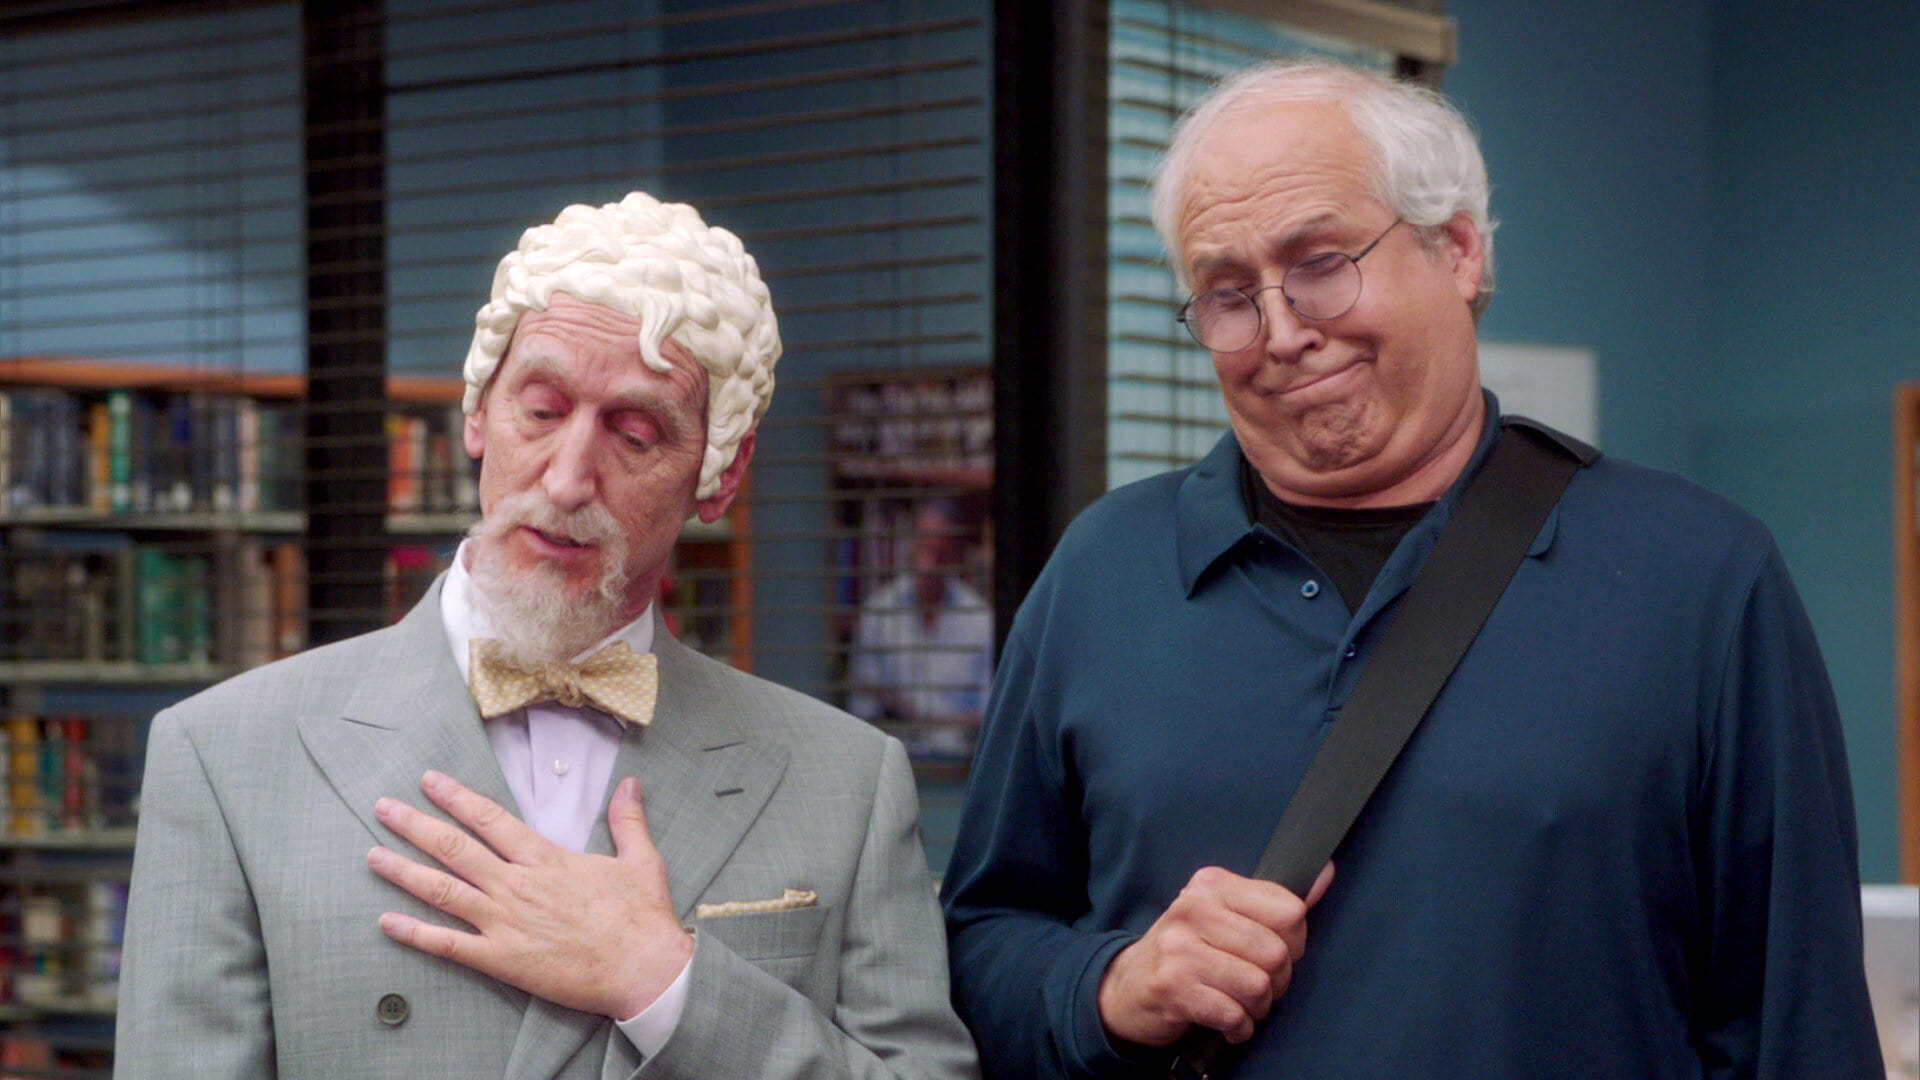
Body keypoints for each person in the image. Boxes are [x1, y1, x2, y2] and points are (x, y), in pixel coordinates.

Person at [940, 59, 1882, 1079]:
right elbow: (977, 949)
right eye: (1227, 294)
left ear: (1459, 251)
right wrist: (1111, 988)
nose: (1282, 333)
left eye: (1321, 262)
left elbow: (1797, 1024)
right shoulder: (1102, 573)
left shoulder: (1698, 578)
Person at [114, 192, 980, 1080]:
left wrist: (665, 983)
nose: (567, 481)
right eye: (540, 409)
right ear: (477, 410)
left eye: (635, 434)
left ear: (721, 477)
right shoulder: (224, 758)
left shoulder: (849, 781)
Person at [847, 497, 994, 757]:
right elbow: (862, 706)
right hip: (893, 760)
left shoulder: (979, 620)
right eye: (923, 550)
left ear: (956, 556)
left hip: (958, 765)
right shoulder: (879, 612)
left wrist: (914, 711)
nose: (928, 565)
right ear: (910, 548)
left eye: (940, 554)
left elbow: (989, 714)